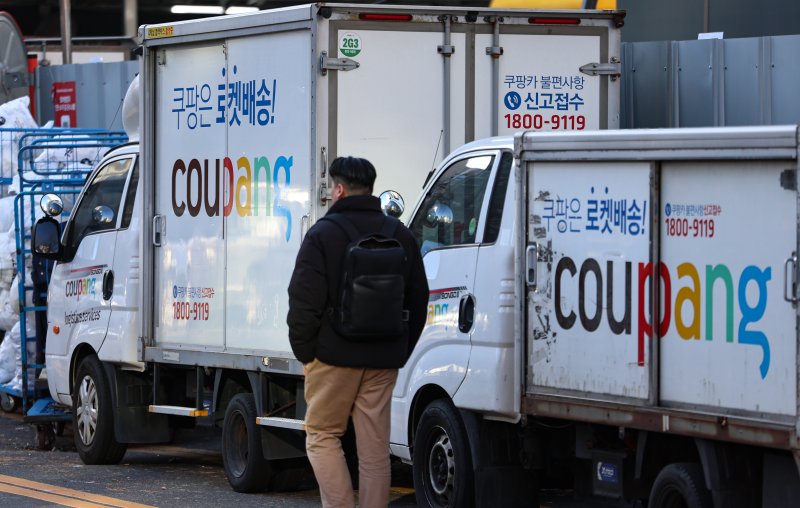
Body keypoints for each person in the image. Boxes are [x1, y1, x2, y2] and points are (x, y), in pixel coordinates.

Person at [287, 156, 428, 508]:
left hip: (332, 358)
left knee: (322, 436)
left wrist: (307, 354)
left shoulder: (322, 235)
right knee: (375, 452)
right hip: (383, 359)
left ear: (338, 190)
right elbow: (419, 298)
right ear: (370, 188)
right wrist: (399, 350)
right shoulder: (400, 234)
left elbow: (304, 302)